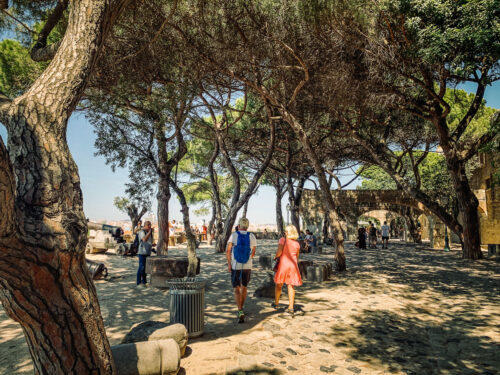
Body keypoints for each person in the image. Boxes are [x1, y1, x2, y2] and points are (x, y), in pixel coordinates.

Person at [226, 218, 256, 323]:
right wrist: (248, 258)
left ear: (239, 226)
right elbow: (253, 253)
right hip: (247, 266)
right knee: (244, 287)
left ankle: (239, 310)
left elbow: (228, 250)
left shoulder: (234, 235)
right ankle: (241, 308)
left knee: (236, 288)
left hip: (236, 265)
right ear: (247, 227)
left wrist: (229, 264)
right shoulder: (252, 236)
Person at [273, 225, 302, 315]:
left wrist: (275, 257)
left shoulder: (282, 240)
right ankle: (291, 307)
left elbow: (279, 252)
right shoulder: (297, 244)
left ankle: (276, 304)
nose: (285, 232)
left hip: (283, 265)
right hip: (293, 266)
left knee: (279, 285)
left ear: (288, 232)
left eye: (286, 231)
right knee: (291, 286)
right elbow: (296, 257)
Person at [137, 221, 154, 286]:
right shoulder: (142, 232)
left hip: (147, 252)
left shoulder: (149, 233)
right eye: (148, 225)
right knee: (141, 267)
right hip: (142, 252)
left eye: (150, 225)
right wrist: (149, 232)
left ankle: (144, 281)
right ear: (144, 225)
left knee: (145, 268)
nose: (149, 226)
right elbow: (144, 239)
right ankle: (138, 282)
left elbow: (149, 241)